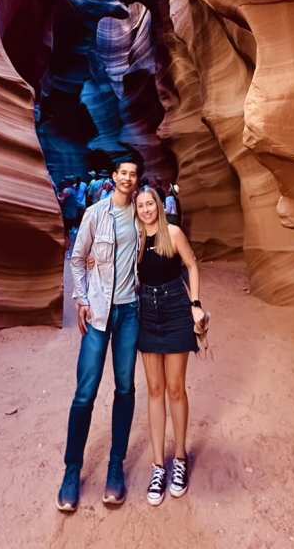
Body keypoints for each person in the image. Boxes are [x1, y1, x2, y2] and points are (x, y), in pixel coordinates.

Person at [56, 154, 143, 512]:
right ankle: (71, 472)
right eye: (122, 173)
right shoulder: (95, 214)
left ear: (137, 180)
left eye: (133, 174)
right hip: (98, 314)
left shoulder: (144, 215)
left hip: (131, 312)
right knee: (84, 393)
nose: (127, 178)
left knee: (125, 387)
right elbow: (78, 259)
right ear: (114, 176)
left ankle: (115, 467)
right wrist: (80, 299)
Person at [135, 185, 205, 506]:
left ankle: (179, 458)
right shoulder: (134, 239)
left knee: (175, 388)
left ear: (159, 206)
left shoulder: (172, 233)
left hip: (176, 309)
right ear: (136, 210)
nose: (147, 209)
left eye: (151, 204)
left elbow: (191, 264)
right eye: (142, 205)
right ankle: (157, 466)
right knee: (154, 389)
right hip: (146, 312)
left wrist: (195, 303)